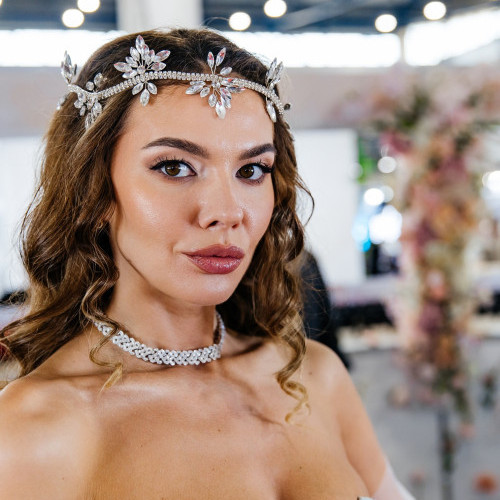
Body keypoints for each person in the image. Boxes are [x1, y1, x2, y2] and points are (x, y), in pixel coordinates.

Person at [0, 28, 413, 499]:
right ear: (92, 193)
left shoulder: (314, 376)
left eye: (251, 170)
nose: (227, 212)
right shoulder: (33, 430)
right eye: (174, 167)